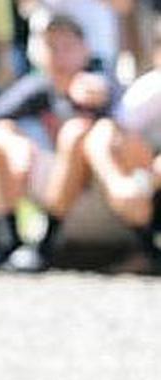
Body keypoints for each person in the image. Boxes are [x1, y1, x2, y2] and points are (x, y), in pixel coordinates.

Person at [0, 13, 118, 271]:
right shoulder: (39, 86)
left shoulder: (101, 79)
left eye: (67, 47)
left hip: (108, 200)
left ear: (86, 49)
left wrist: (95, 97)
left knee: (76, 132)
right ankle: (9, 242)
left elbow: (105, 91)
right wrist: (13, 145)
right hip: (56, 193)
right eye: (51, 46)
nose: (59, 56)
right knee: (0, 133)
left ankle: (46, 245)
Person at [83, 18, 161, 272]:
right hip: (150, 188)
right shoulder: (149, 90)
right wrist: (118, 182)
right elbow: (102, 134)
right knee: (125, 145)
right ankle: (149, 252)